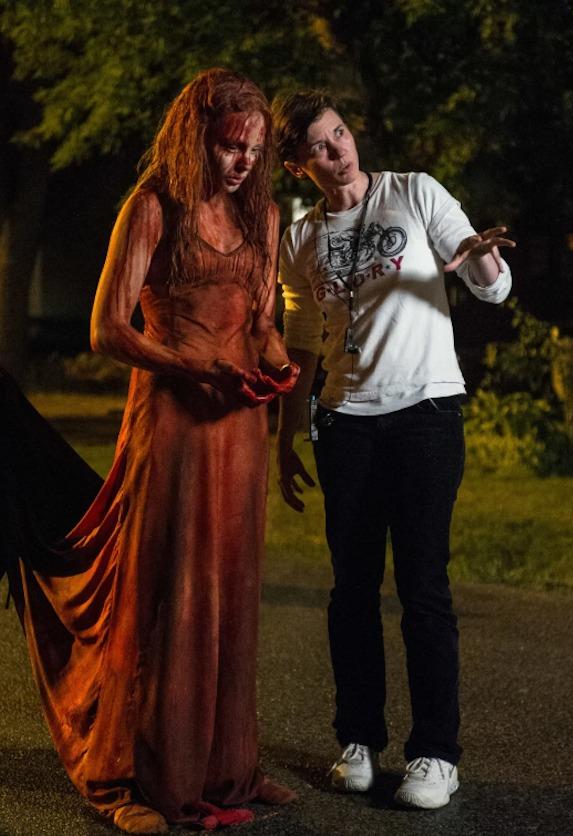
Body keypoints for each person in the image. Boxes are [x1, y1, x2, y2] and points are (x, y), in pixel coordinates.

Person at [6, 68, 299, 833]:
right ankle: (126, 774)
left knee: (231, 591)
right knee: (165, 591)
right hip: (171, 421)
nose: (241, 162)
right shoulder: (151, 207)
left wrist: (277, 360)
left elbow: (262, 322)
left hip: (239, 426)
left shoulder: (264, 215)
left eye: (253, 149)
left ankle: (228, 767)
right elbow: (106, 328)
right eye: (229, 145)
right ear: (195, 137)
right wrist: (193, 365)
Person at [273, 90, 514, 810]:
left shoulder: (415, 192)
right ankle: (358, 740)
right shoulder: (300, 241)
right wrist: (286, 432)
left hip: (425, 416)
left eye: (340, 133)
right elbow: (302, 340)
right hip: (344, 423)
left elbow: (490, 287)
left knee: (423, 587)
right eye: (319, 147)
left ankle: (436, 754)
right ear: (298, 166)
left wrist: (479, 262)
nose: (338, 151)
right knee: (351, 588)